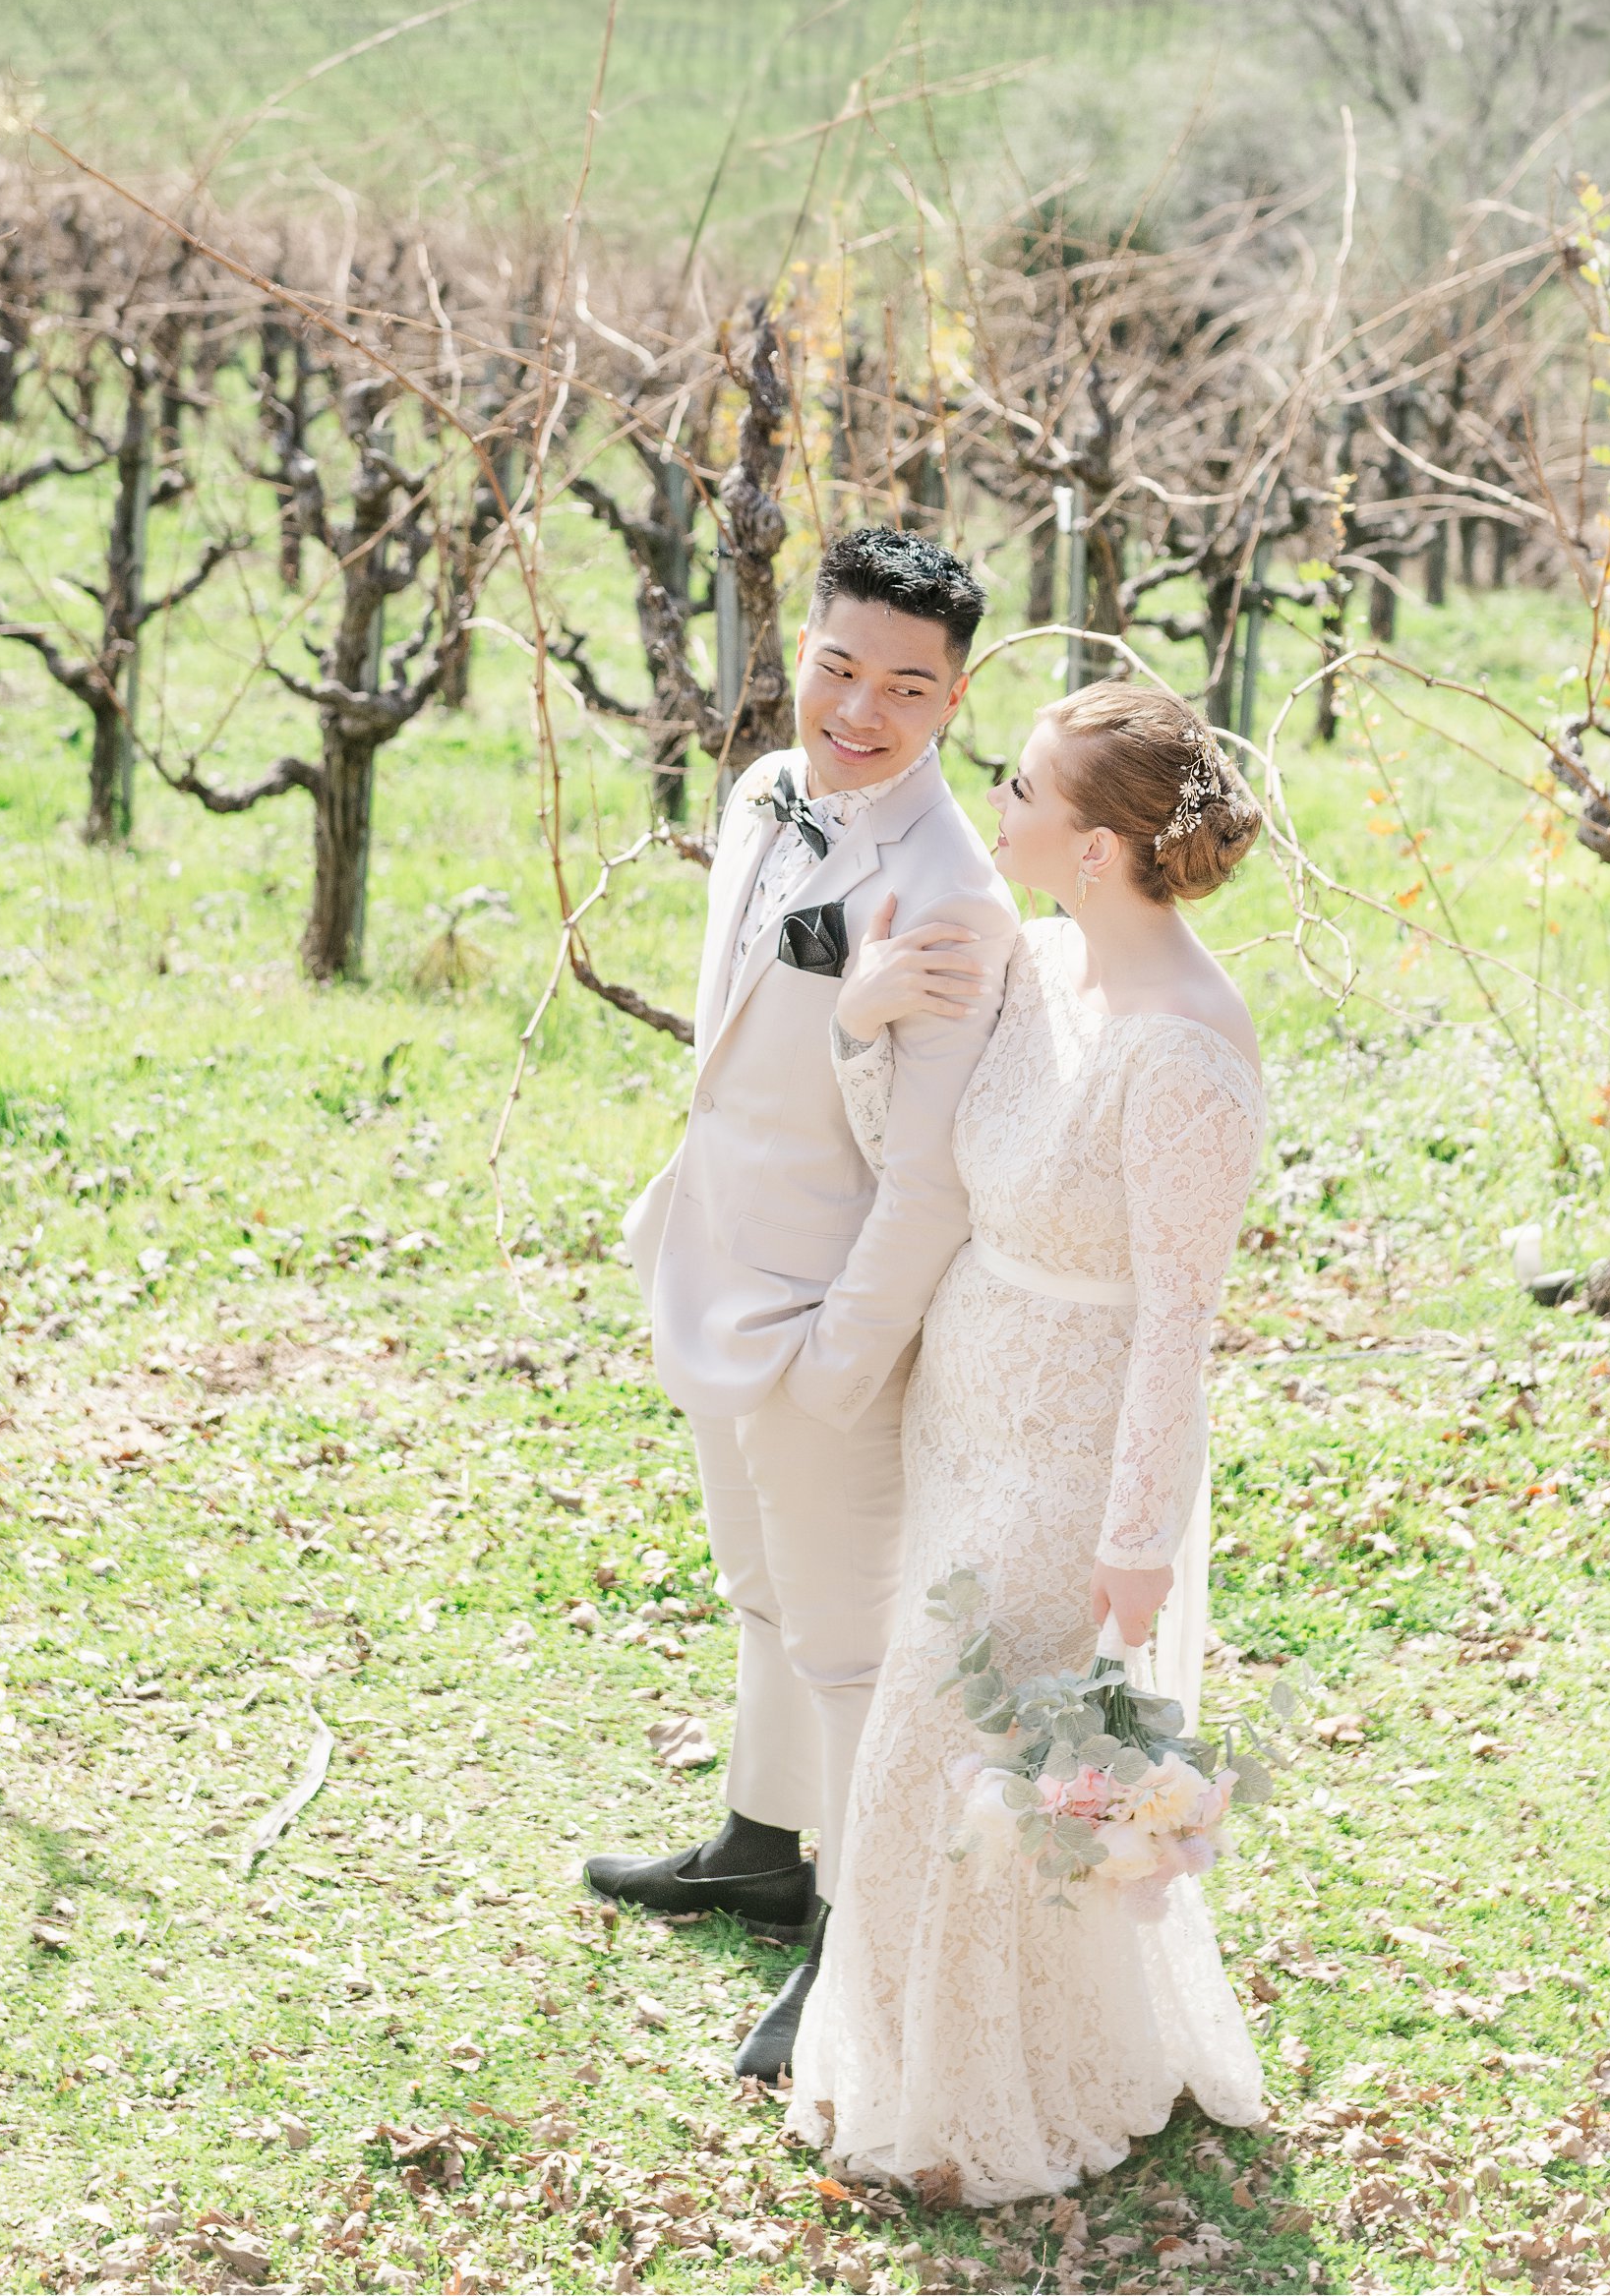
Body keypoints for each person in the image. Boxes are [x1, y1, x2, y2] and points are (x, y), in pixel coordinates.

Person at [784, 681, 1269, 2202]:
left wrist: (1138, 1537)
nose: (994, 801)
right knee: (941, 1766)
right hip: (960, 1407)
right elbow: (915, 1155)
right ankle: (924, 2052)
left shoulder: (1184, 1054)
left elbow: (1179, 1323)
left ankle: (979, 2103)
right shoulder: (1040, 968)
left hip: (1071, 1456)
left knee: (964, 1757)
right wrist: (862, 1023)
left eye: (1021, 786)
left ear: (1103, 849)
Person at [584, 529, 1018, 2083]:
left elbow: (929, 1183)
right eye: (840, 665)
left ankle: (850, 1937)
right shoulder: (764, 789)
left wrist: (848, 1359)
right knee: (759, 1594)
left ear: (953, 698)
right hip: (709, 1259)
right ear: (803, 650)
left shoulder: (958, 897)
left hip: (829, 1320)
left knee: (849, 1641)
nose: (861, 709)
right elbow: (755, 1014)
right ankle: (761, 1844)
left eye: (908, 684)